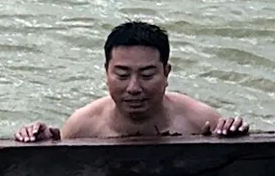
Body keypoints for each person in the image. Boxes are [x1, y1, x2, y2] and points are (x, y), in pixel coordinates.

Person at [15, 21, 248, 142]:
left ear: (166, 73)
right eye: (122, 75)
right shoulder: (83, 126)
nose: (134, 88)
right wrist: (41, 141)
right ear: (106, 72)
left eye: (147, 75)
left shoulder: (200, 120)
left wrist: (231, 136)